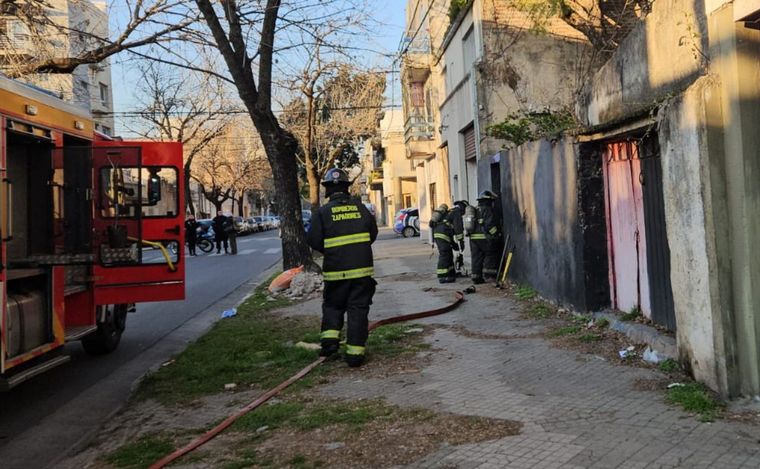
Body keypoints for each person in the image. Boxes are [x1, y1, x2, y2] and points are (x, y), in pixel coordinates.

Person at [307, 168, 378, 368]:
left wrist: (332, 250)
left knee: (333, 307)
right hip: (362, 271)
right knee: (358, 310)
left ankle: (329, 347)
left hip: (336, 271)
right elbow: (372, 234)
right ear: (347, 188)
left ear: (328, 190)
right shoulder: (361, 208)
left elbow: (313, 240)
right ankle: (355, 355)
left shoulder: (322, 213)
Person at [469, 190, 502, 284]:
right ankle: (489, 276)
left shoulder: (475, 209)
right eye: (491, 201)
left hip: (473, 239)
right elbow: (489, 225)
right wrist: (496, 234)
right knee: (490, 254)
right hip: (484, 237)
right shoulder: (487, 209)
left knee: (476, 257)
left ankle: (476, 278)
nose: (492, 203)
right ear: (488, 201)